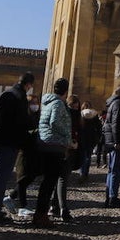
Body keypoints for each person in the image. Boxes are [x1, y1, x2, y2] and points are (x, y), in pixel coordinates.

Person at [0, 72, 34, 225]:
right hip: (10, 142)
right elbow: (23, 123)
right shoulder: (20, 97)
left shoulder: (5, 94)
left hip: (0, 140)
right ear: (28, 85)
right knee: (1, 177)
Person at [34, 78, 73, 228]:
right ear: (65, 91)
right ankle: (41, 215)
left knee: (47, 183)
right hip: (54, 145)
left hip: (47, 143)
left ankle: (40, 213)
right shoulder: (57, 103)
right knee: (49, 182)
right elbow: (55, 122)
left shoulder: (48, 102)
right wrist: (67, 136)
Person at [101, 84, 120, 207]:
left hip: (112, 141)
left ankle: (109, 196)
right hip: (116, 142)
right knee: (115, 170)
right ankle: (113, 197)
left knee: (112, 169)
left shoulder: (113, 103)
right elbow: (116, 124)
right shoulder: (118, 104)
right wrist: (117, 142)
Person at [78, 101, 102, 180]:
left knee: (83, 156)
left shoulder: (80, 114)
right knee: (88, 156)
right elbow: (99, 127)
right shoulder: (94, 115)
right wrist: (97, 137)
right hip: (91, 138)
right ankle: (86, 173)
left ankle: (82, 173)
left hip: (82, 138)